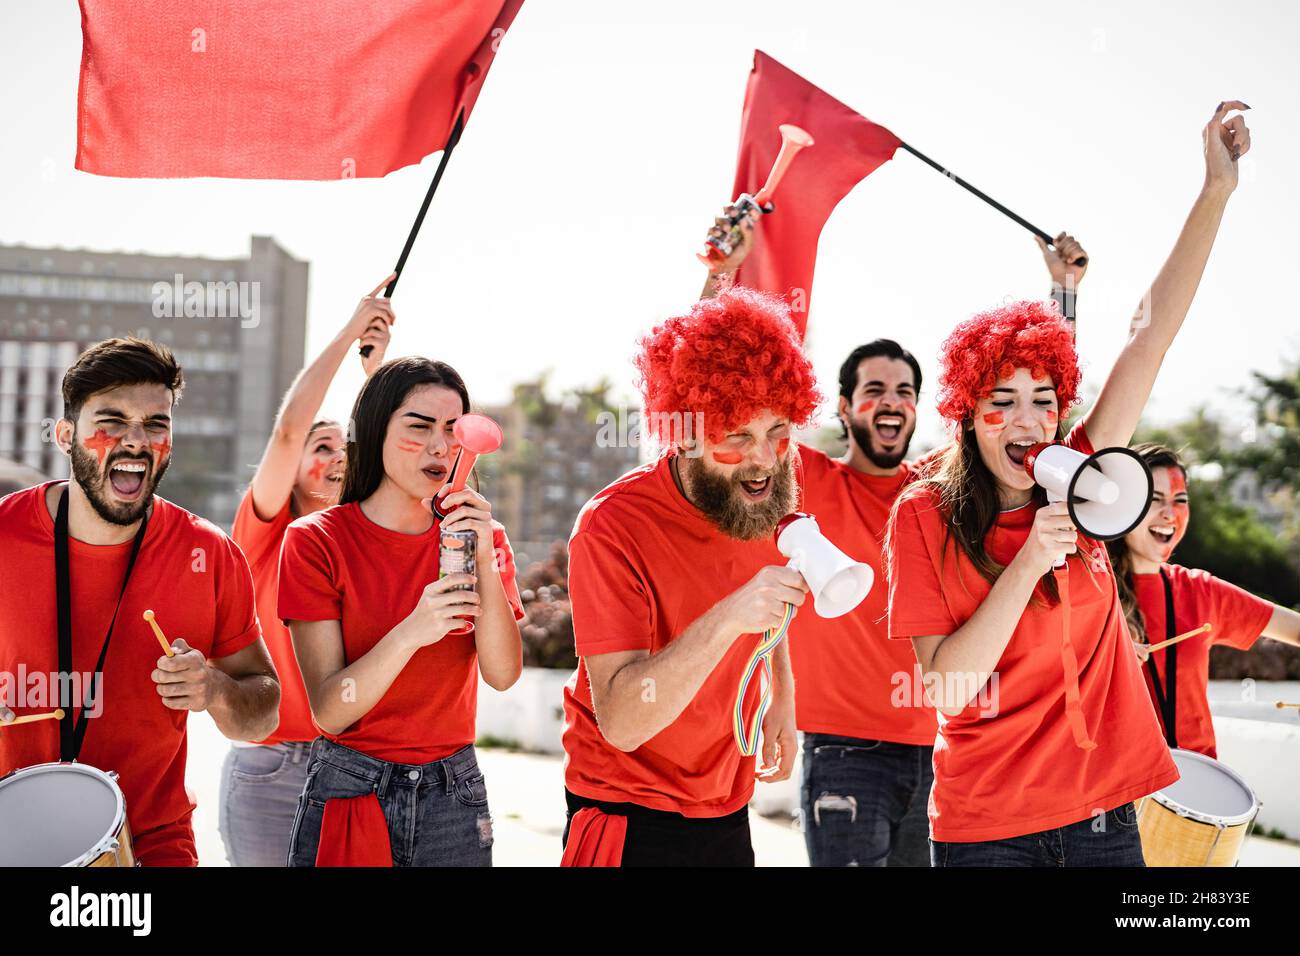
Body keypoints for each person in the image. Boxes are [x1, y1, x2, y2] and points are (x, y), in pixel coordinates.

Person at [885, 101, 1252, 866]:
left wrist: (1215, 188)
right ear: (966, 412)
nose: (1028, 421)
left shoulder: (1088, 478)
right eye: (1003, 402)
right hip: (991, 833)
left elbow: (1149, 335)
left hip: (1107, 822)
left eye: (1044, 400)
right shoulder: (922, 515)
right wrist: (1027, 563)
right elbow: (946, 691)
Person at [699, 200, 1087, 866]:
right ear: (845, 408)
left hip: (942, 747)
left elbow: (1039, 417)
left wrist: (1065, 296)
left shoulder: (940, 492)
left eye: (906, 390)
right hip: (845, 758)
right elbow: (721, 395)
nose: (893, 401)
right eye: (875, 389)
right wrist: (723, 279)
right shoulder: (806, 477)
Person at [559, 287, 820, 867]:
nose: (764, 458)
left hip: (725, 804)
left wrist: (782, 690)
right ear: (687, 434)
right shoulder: (611, 527)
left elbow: (771, 584)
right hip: (626, 809)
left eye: (778, 431)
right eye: (737, 439)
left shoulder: (770, 480)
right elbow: (623, 721)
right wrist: (730, 615)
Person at [0, 337, 279, 866]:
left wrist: (215, 689)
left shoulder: (209, 552)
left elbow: (262, 713)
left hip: (152, 845)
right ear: (66, 436)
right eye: (111, 421)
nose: (136, 441)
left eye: (155, 424)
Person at [278, 357, 525, 867]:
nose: (441, 446)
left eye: (454, 431)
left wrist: (482, 555)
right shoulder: (316, 541)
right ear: (375, 432)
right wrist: (412, 631)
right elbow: (330, 708)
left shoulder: (485, 536)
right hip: (352, 784)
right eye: (420, 426)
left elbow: (502, 675)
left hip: (453, 792)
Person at [218, 275, 394, 866]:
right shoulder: (266, 531)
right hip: (273, 767)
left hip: (359, 764)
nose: (335, 454)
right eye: (322, 446)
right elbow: (290, 427)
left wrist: (379, 376)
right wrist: (349, 335)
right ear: (292, 469)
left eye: (345, 444)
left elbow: (409, 452)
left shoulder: (368, 535)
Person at [1107, 443, 1300, 758]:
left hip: (1200, 782)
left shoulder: (1201, 590)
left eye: (1179, 500)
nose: (1169, 513)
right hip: (1121, 789)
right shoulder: (1089, 589)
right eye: (1154, 501)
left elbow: (1296, 630)